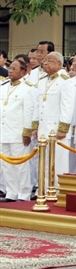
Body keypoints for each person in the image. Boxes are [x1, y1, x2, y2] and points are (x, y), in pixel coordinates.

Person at [32, 52, 74, 189]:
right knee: (43, 161)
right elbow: (37, 105)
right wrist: (35, 126)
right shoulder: (43, 80)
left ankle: (57, 190)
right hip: (43, 128)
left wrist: (63, 129)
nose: (45, 63)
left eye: (50, 61)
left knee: (58, 161)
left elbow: (67, 106)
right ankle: (42, 189)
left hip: (56, 128)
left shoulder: (65, 81)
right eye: (45, 60)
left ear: (59, 64)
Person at [0, 60, 35, 202]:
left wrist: (27, 132)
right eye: (10, 68)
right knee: (6, 165)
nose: (10, 70)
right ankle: (11, 192)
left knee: (21, 165)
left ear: (23, 72)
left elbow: (29, 111)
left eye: (14, 68)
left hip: (18, 133)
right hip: (3, 131)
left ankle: (24, 193)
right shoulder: (3, 86)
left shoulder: (28, 88)